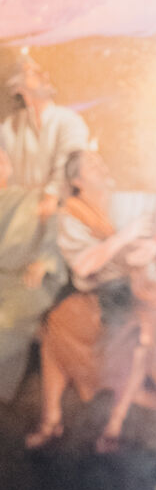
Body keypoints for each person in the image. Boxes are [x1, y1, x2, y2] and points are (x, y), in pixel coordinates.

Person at [26, 148, 156, 452]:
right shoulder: (71, 214)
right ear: (78, 181)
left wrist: (150, 247)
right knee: (56, 325)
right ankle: (51, 420)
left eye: (100, 161)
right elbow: (84, 266)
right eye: (93, 165)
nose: (102, 166)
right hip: (100, 294)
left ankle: (114, 424)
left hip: (142, 291)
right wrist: (124, 239)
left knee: (142, 339)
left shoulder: (122, 202)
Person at [0, 146, 63, 405]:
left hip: (24, 280)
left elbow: (54, 234)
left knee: (7, 322)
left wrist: (44, 261)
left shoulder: (34, 198)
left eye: (2, 159)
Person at [0, 59, 89, 218]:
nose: (43, 75)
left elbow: (70, 165)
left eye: (41, 71)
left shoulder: (68, 120)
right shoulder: (11, 127)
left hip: (58, 212)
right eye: (32, 72)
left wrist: (51, 197)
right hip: (21, 212)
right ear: (16, 86)